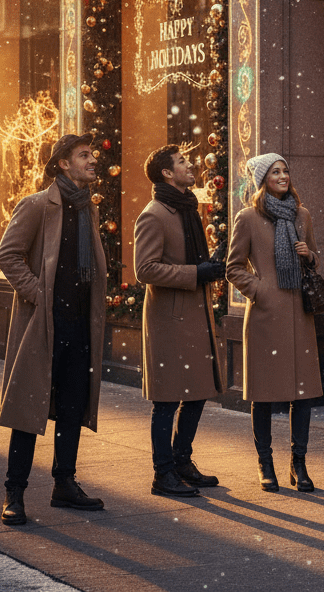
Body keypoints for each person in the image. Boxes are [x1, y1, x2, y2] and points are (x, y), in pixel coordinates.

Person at [0, 134, 108, 526]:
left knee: (73, 407)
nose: (93, 160)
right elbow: (7, 255)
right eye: (84, 155)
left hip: (79, 327)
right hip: (43, 325)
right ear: (63, 163)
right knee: (28, 409)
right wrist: (37, 295)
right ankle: (15, 492)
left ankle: (64, 483)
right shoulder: (37, 205)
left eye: (92, 154)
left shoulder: (88, 209)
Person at [227, 154, 323, 492]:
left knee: (304, 394)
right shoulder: (248, 218)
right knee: (264, 395)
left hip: (300, 314)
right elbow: (233, 266)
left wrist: (308, 255)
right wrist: (260, 289)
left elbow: (314, 258)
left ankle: (299, 464)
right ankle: (265, 463)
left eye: (285, 171)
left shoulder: (303, 215)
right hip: (266, 316)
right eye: (274, 172)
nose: (282, 176)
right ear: (262, 180)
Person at [134, 144, 225, 497]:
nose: (191, 165)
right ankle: (163, 473)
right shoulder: (154, 214)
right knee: (168, 399)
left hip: (195, 314)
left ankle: (182, 460)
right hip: (170, 318)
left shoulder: (187, 209)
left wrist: (209, 269)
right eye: (183, 162)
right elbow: (145, 269)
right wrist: (195, 272)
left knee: (198, 392)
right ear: (168, 174)